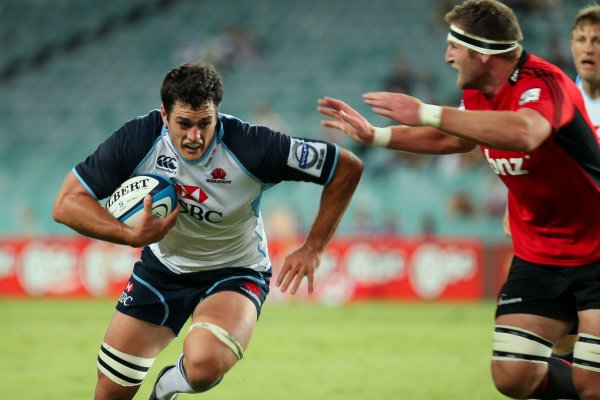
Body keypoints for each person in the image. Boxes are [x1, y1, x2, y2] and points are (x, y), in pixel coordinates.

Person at [318, 1, 600, 399]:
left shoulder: (543, 83)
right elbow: (456, 136)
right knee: (512, 375)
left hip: (597, 249)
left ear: (482, 52)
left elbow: (525, 132)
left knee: (592, 386)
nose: (446, 55)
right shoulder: (479, 92)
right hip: (539, 255)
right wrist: (378, 136)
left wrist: (427, 111)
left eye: (454, 45)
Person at [53, 62, 363, 400]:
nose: (195, 136)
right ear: (164, 115)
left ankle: (168, 386)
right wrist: (129, 236)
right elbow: (67, 203)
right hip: (163, 270)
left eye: (205, 123)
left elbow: (346, 166)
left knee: (203, 366)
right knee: (111, 393)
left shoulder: (253, 147)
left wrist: (314, 246)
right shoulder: (137, 139)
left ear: (217, 114)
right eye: (184, 124)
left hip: (235, 270)